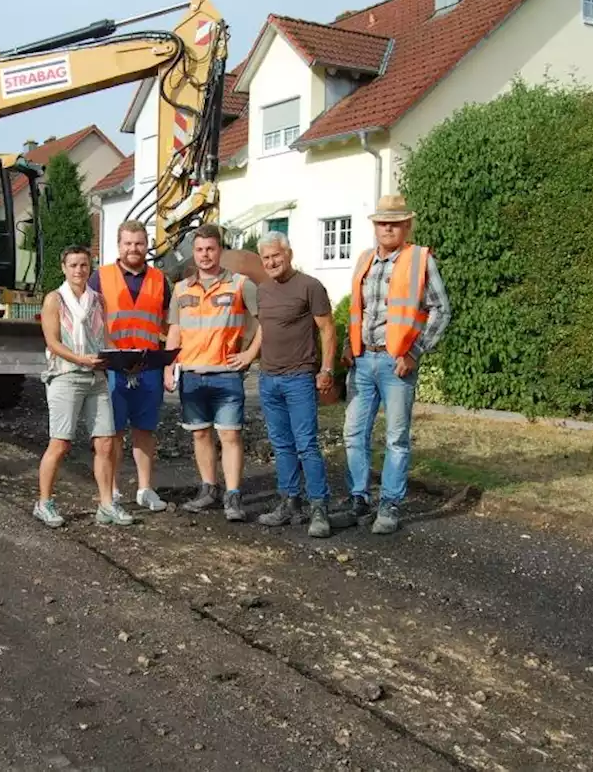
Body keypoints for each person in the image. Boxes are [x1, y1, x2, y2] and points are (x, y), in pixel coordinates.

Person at [339, 194, 452, 535]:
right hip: (362, 360)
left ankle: (389, 503)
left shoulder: (419, 259)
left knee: (396, 438)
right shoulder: (363, 260)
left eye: (395, 222)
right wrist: (348, 343)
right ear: (375, 226)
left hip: (396, 363)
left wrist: (415, 351)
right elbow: (357, 310)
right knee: (353, 434)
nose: (387, 228)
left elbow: (441, 309)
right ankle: (359, 498)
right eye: (382, 222)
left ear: (406, 226)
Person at [163, 224, 261, 521]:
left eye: (210, 249)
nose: (205, 255)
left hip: (226, 374)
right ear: (193, 254)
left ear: (220, 251)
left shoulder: (241, 284)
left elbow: (264, 323)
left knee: (230, 434)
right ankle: (209, 489)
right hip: (191, 374)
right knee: (201, 434)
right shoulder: (181, 289)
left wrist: (249, 354)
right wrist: (169, 366)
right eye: (200, 250)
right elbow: (175, 331)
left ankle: (233, 496)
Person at [35, 245, 133, 529]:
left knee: (105, 442)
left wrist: (124, 359)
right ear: (64, 268)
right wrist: (80, 359)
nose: (79, 270)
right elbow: (52, 342)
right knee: (60, 443)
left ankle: (106, 504)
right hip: (66, 376)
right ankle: (44, 502)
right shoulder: (55, 299)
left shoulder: (98, 301)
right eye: (74, 265)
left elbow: (105, 339)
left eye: (84, 265)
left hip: (97, 378)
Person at [252, 231, 340, 537]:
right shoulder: (262, 290)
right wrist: (249, 356)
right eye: (266, 258)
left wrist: (327, 369)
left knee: (307, 445)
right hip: (268, 378)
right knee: (281, 444)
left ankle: (319, 507)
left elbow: (328, 330)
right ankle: (290, 502)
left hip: (299, 377)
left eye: (276, 255)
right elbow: (264, 329)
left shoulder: (310, 287)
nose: (272, 262)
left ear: (288, 253)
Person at [88, 220, 172, 513]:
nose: (134, 248)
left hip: (148, 366)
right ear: (119, 246)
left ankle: (145, 489)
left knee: (145, 430)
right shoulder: (100, 278)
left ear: (147, 244)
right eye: (128, 243)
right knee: (112, 432)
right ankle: (111, 489)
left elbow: (167, 323)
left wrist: (169, 363)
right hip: (113, 366)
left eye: (139, 243)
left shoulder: (161, 280)